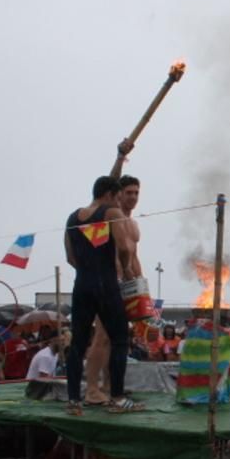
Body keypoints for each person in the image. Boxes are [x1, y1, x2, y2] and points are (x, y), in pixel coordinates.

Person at [64, 175, 141, 415]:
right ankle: (117, 397)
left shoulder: (73, 217)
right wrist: (126, 268)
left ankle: (74, 400)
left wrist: (87, 271)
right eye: (119, 196)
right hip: (106, 284)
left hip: (82, 285)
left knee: (77, 343)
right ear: (110, 194)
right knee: (119, 339)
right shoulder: (111, 213)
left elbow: (70, 257)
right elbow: (124, 247)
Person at [84, 173, 143, 403]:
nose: (133, 197)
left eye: (136, 193)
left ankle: (110, 385)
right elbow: (109, 179)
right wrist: (121, 157)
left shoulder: (133, 224)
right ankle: (91, 388)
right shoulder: (109, 216)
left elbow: (134, 256)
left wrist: (140, 284)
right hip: (106, 280)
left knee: (118, 337)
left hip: (127, 283)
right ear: (118, 194)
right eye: (128, 192)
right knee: (101, 335)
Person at [25, 330, 64, 399]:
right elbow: (43, 380)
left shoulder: (55, 354)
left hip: (43, 387)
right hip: (33, 390)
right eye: (62, 341)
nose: (63, 344)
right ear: (53, 340)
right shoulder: (45, 356)